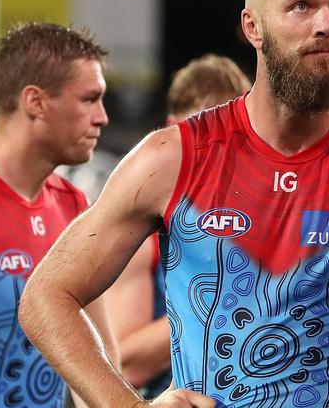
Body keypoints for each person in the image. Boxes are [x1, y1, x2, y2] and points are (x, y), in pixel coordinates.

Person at [18, 0, 329, 407]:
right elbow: (47, 297)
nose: (327, 24)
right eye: (301, 5)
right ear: (254, 27)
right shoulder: (174, 157)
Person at [0, 22, 117, 408]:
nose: (102, 117)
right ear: (35, 102)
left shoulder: (73, 206)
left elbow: (98, 368)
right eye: (89, 99)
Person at [105, 53, 252, 397]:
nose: (221, 146)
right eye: (205, 129)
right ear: (173, 126)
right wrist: (231, 305)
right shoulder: (146, 230)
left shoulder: (271, 217)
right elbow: (125, 361)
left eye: (235, 132)